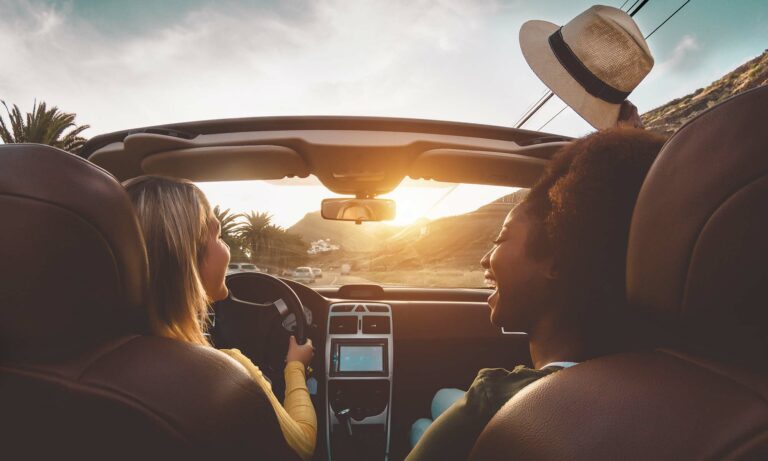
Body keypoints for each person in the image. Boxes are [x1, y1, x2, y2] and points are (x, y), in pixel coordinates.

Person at [406, 127, 666, 461]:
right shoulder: (663, 380)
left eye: (501, 239)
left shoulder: (492, 400)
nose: (485, 258)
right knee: (443, 397)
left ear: (555, 261)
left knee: (420, 426)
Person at [123, 175, 317, 460]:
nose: (226, 249)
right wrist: (295, 367)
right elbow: (302, 445)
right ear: (186, 258)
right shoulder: (225, 374)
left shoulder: (93, 361)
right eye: (218, 236)